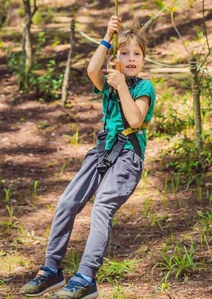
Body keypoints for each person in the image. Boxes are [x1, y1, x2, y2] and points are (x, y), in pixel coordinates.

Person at [20, 16, 156, 299]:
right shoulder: (108, 82)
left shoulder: (144, 88)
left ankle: (86, 278)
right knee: (68, 202)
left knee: (102, 207)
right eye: (125, 52)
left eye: (137, 54)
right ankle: (51, 270)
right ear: (116, 57)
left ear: (144, 58)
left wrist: (121, 86)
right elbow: (92, 69)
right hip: (102, 151)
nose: (131, 58)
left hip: (128, 156)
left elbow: (134, 119)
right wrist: (108, 35)